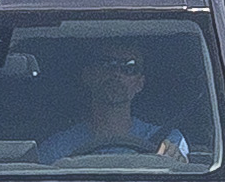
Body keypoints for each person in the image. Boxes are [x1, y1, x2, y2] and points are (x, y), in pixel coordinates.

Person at [37, 43, 193, 164]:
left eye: (129, 67)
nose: (116, 73)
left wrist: (176, 163)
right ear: (88, 75)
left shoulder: (169, 140)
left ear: (140, 83)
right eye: (107, 64)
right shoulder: (57, 148)